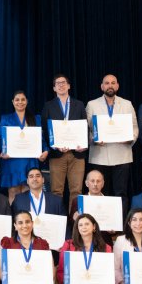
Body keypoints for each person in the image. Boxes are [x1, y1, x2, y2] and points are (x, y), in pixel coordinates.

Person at [86, 74, 138, 216]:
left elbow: (134, 127)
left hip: (121, 155)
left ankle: (121, 225)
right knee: (101, 192)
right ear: (102, 86)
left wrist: (130, 139)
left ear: (117, 86)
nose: (110, 85)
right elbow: (87, 129)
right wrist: (93, 139)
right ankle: (100, 224)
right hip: (99, 155)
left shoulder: (127, 104)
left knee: (121, 193)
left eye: (113, 83)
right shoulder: (92, 104)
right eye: (107, 83)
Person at [40, 74, 87, 205]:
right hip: (57, 154)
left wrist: (84, 144)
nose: (61, 85)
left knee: (76, 190)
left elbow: (84, 126)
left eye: (63, 82)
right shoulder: (48, 106)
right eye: (58, 83)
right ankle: (58, 217)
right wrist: (54, 145)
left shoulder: (79, 104)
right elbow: (45, 129)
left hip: (77, 154)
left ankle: (75, 218)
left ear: (69, 86)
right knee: (56, 191)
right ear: (54, 88)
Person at [0, 91, 48, 203]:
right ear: (13, 102)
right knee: (13, 192)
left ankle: (27, 214)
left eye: (23, 99)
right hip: (12, 161)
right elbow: (1, 139)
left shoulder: (36, 118)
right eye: (17, 100)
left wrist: (45, 151)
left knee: (28, 192)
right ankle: (14, 215)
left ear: (27, 101)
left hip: (30, 161)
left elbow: (41, 140)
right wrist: (3, 151)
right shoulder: (6, 119)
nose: (20, 102)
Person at [68, 169, 115, 247]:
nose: (95, 184)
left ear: (103, 183)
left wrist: (114, 231)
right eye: (92, 181)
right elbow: (71, 226)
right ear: (86, 183)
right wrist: (74, 219)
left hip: (104, 244)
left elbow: (116, 227)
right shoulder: (78, 201)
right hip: (83, 244)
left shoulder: (111, 202)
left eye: (98, 181)